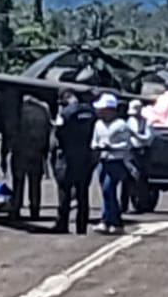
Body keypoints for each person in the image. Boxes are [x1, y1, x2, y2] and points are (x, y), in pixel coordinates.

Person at [51, 91, 97, 235]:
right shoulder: (91, 112)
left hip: (67, 157)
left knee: (64, 191)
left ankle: (62, 223)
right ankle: (81, 226)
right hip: (85, 157)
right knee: (83, 193)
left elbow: (57, 135)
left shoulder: (65, 114)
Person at [92, 94, 134, 235]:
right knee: (105, 192)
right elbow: (94, 141)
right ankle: (107, 221)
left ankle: (115, 221)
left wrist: (112, 146)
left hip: (116, 161)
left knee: (108, 189)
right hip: (103, 160)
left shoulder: (121, 125)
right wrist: (97, 146)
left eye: (102, 109)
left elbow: (127, 144)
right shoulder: (98, 124)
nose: (99, 112)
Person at [120, 99, 154, 213]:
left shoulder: (146, 122)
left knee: (141, 178)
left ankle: (141, 204)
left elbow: (147, 138)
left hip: (142, 152)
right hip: (130, 151)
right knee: (127, 178)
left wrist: (135, 135)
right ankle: (123, 205)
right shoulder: (128, 122)